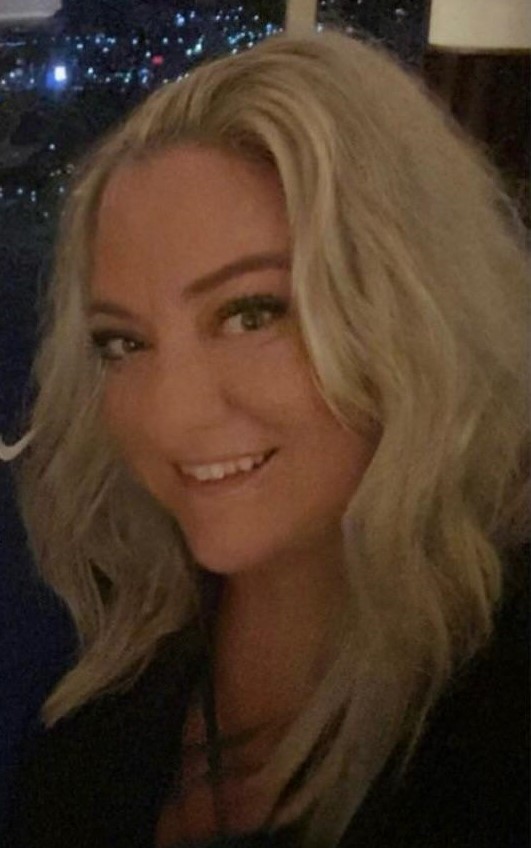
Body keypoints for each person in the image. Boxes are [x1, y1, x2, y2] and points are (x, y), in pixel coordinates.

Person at [1, 28, 529, 848]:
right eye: (124, 343)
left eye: (251, 314)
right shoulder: (103, 671)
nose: (172, 414)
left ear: (411, 314)